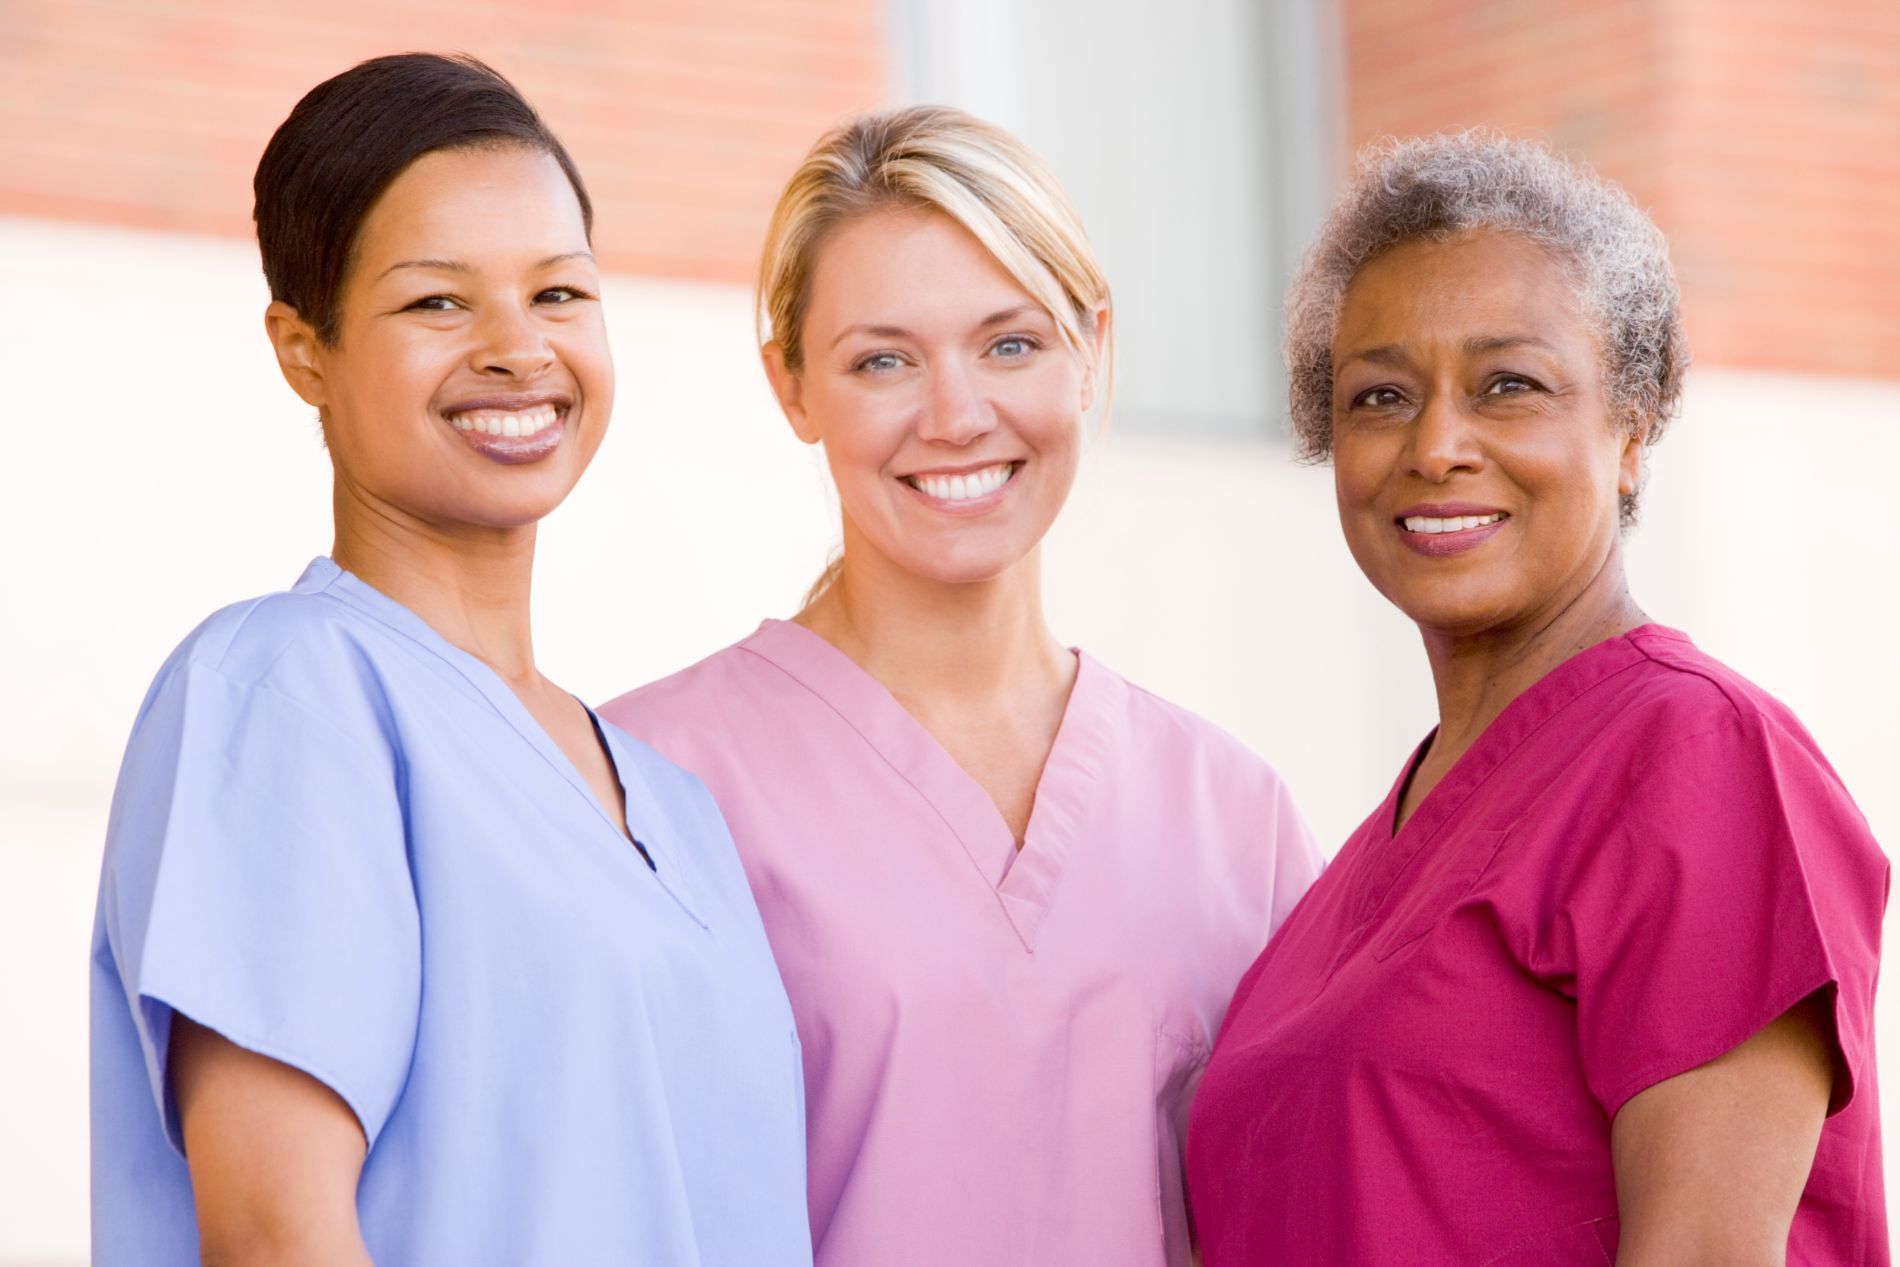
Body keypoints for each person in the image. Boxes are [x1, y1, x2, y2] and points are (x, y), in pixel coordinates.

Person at [88, 53, 810, 1267]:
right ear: (302, 348)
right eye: (437, 302)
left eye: (560, 293)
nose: (517, 348)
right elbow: (276, 1235)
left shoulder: (670, 801)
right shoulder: (289, 693)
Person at [599, 105, 1321, 1267]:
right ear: (790, 385)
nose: (956, 416)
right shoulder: (643, 786)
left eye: (1010, 343)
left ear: (1091, 348)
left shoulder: (1231, 813)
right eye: (882, 359)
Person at [1186, 131, 1888, 1266]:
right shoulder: (1359, 868)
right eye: (1379, 396)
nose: (1436, 444)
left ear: (1631, 426)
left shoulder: (1692, 754)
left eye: (1507, 384)